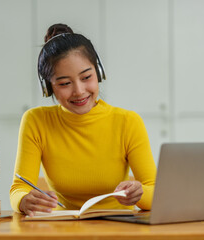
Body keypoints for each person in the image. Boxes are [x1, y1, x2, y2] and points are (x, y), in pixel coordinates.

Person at [10, 23, 156, 217]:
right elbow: (18, 188)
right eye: (64, 83)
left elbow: (155, 192)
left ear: (99, 72)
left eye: (86, 77)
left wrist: (140, 193)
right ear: (48, 87)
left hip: (121, 229)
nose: (79, 91)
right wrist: (23, 201)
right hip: (65, 229)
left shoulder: (128, 122)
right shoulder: (36, 121)